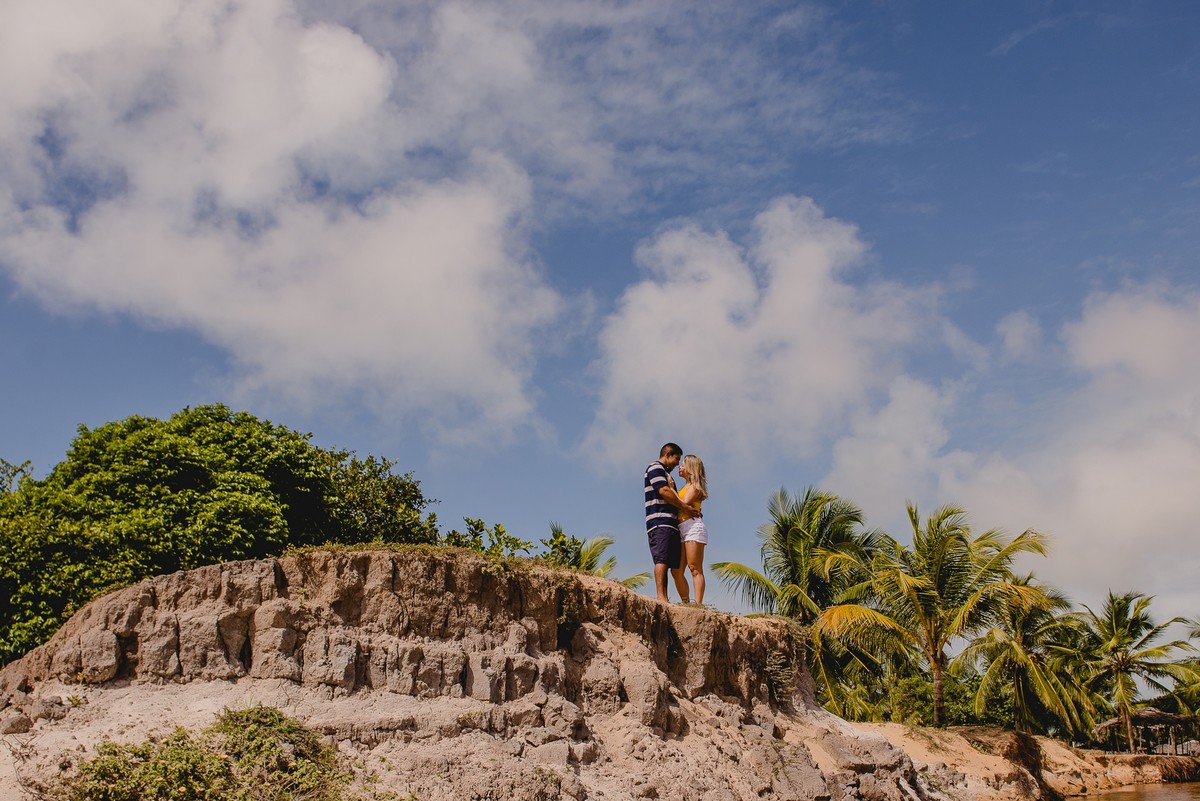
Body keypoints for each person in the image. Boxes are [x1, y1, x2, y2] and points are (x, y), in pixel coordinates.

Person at [643, 443, 694, 603]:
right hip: (660, 520)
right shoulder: (655, 468)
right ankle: (662, 597)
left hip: (670, 523)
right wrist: (685, 506)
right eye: (676, 459)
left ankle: (668, 597)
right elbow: (663, 491)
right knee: (661, 559)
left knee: (672, 563)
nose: (676, 464)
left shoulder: (665, 473)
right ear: (668, 454)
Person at [676, 454, 708, 606]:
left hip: (692, 527)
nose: (679, 467)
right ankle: (686, 603)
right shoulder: (684, 487)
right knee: (677, 571)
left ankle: (698, 604)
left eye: (683, 465)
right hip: (681, 527)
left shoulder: (694, 487)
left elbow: (682, 503)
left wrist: (669, 489)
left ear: (690, 468)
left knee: (694, 568)